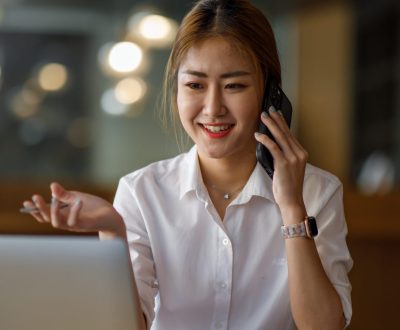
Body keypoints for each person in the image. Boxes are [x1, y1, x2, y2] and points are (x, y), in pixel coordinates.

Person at [23, 0, 353, 329]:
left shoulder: (318, 192)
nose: (213, 108)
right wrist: (113, 229)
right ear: (176, 90)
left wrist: (293, 207)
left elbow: (324, 326)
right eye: (195, 85)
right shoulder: (141, 193)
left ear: (270, 94)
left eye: (234, 86)